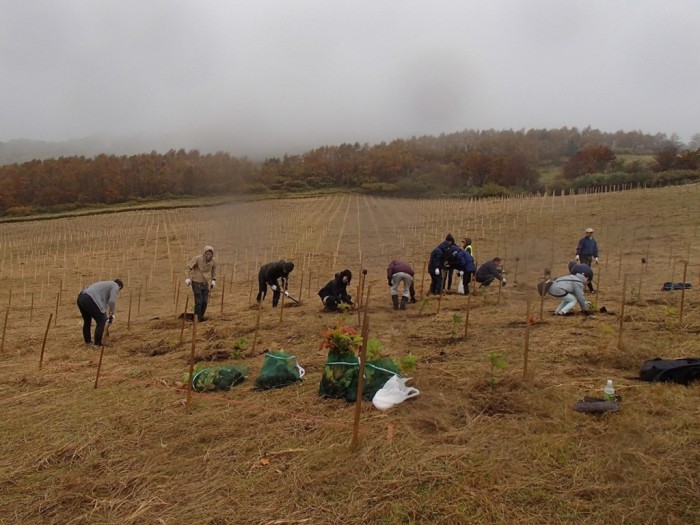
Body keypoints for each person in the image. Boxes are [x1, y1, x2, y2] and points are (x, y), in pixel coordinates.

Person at [76, 279, 123, 347]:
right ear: (120, 287)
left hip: (81, 297)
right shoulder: (115, 285)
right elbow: (112, 301)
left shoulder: (106, 284)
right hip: (89, 299)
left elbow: (102, 306)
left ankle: (88, 342)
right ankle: (97, 344)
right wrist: (112, 314)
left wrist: (107, 316)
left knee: (87, 321)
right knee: (102, 321)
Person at [185, 246, 217, 322]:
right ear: (204, 253)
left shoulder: (213, 261)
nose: (208, 256)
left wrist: (213, 280)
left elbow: (214, 271)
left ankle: (201, 317)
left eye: (210, 254)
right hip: (196, 283)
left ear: (212, 255)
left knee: (205, 302)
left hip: (206, 283)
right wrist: (187, 278)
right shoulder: (197, 259)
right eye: (207, 254)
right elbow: (188, 268)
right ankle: (197, 319)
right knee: (198, 302)